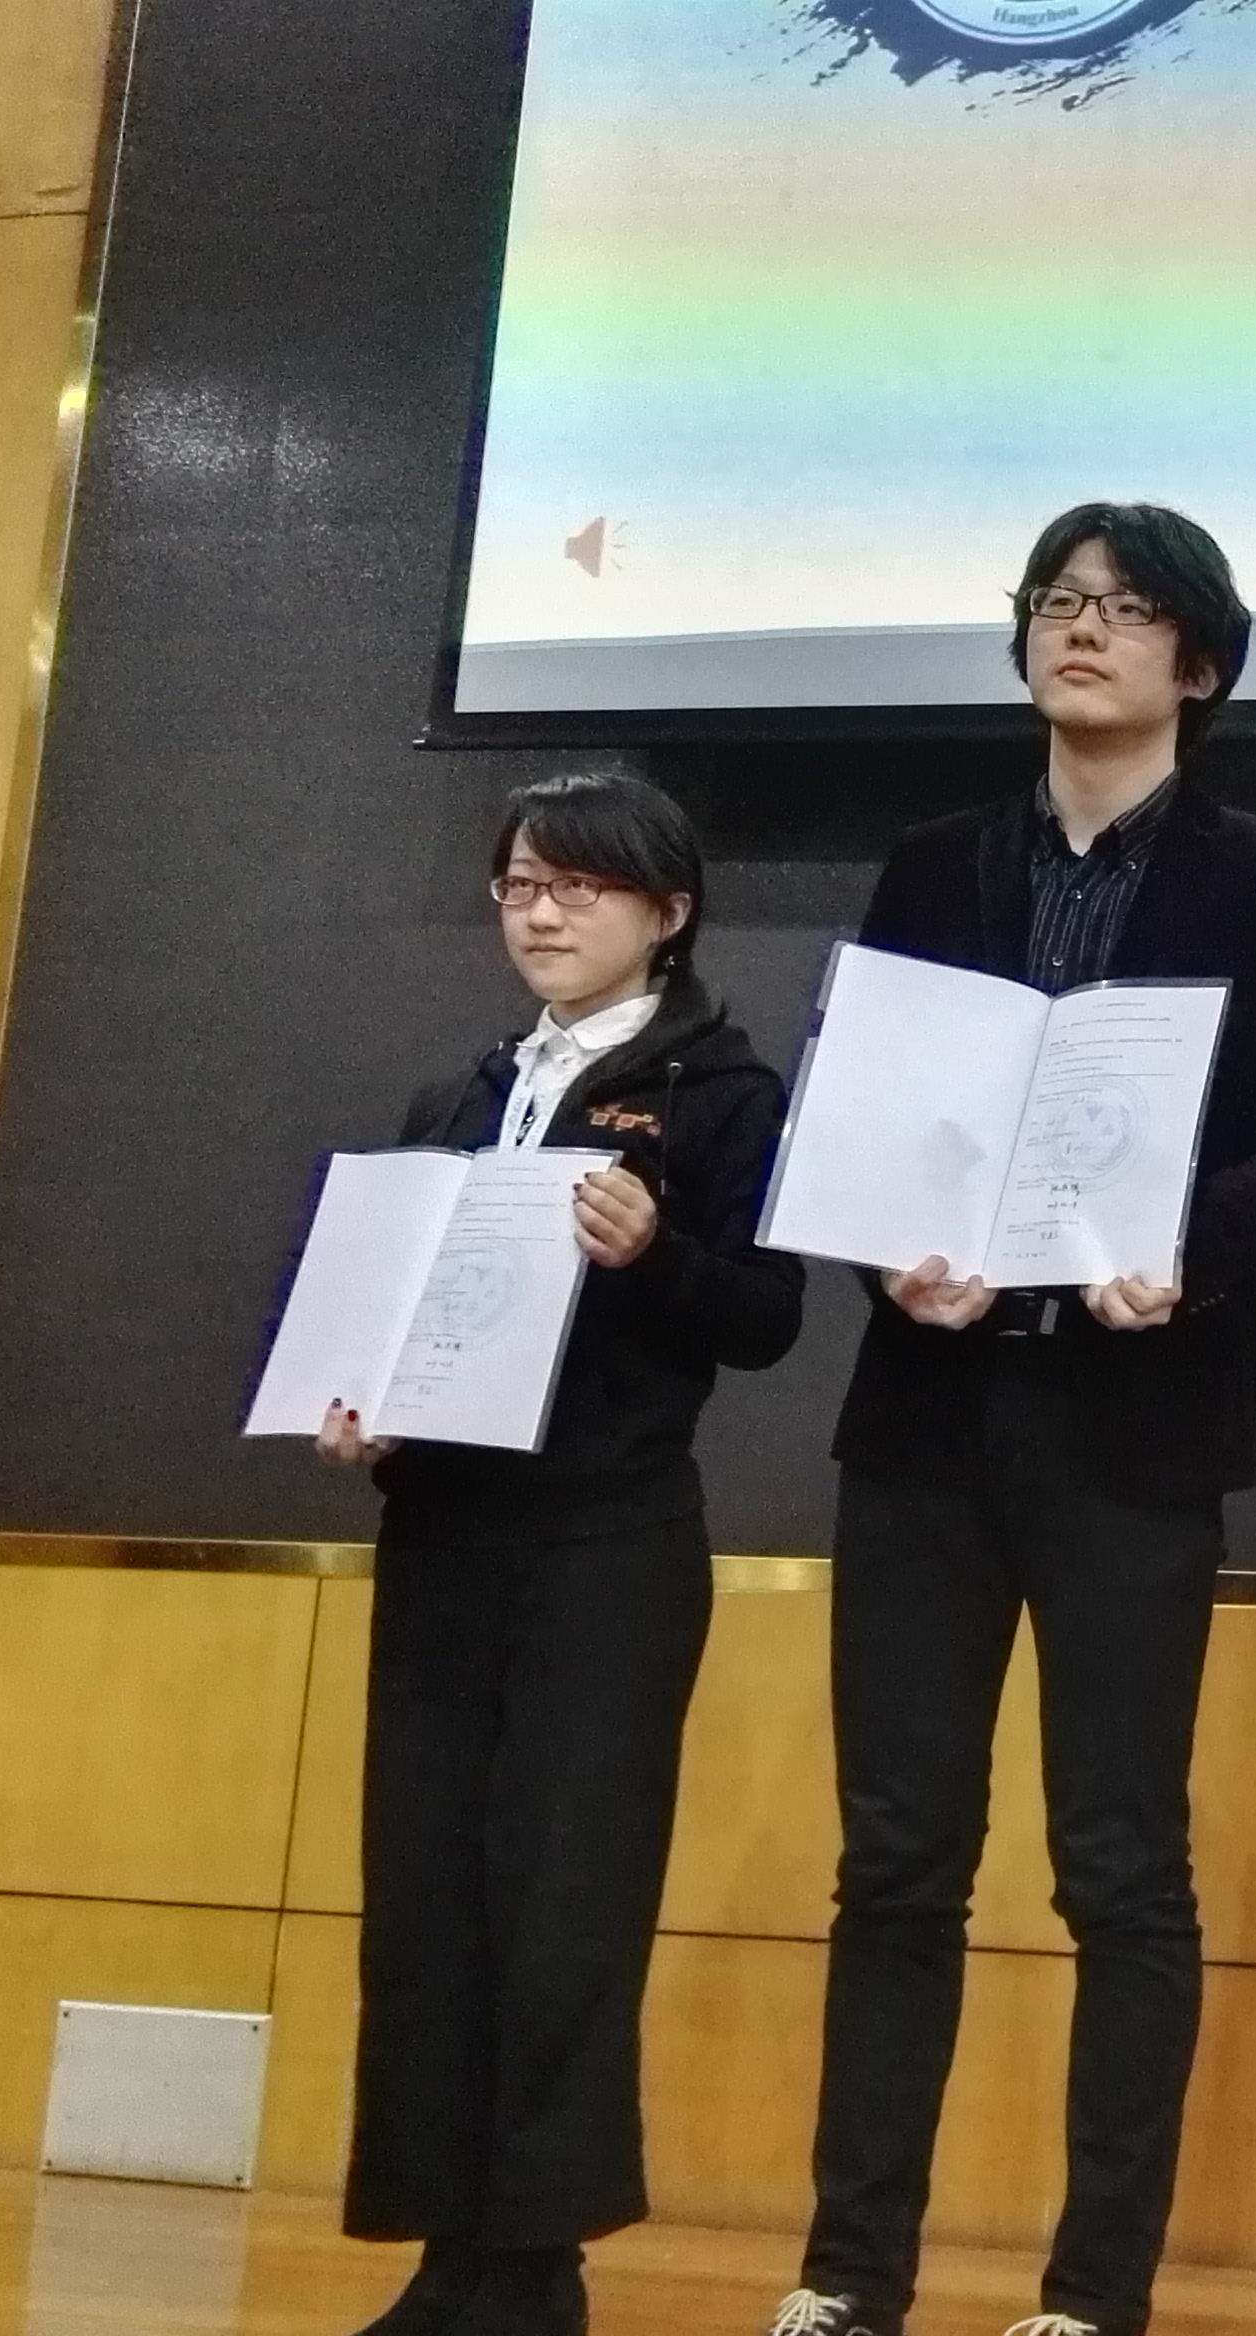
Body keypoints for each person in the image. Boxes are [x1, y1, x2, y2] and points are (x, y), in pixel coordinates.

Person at [761, 504, 1256, 2336]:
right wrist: (890, 1258)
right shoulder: (934, 864)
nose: (1081, 629)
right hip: (927, 1417)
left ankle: (1095, 2293)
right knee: (897, 1859)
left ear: (1202, 660)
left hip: (1134, 1420)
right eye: (1057, 602)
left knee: (1118, 1863)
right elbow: (863, 1122)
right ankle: (848, 2277)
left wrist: (1183, 1251)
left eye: (1127, 607)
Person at [322, 770, 808, 2336]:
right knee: (426, 1898)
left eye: (578, 887)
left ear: (668, 913)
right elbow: (411, 1310)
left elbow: (769, 1318)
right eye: (520, 885)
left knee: (564, 1907)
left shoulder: (725, 1093)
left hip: (607, 1544)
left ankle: (535, 2267)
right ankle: (446, 2253)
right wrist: (368, 1409)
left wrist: (654, 1253)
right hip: (444, 1538)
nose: (540, 913)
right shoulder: (464, 1093)